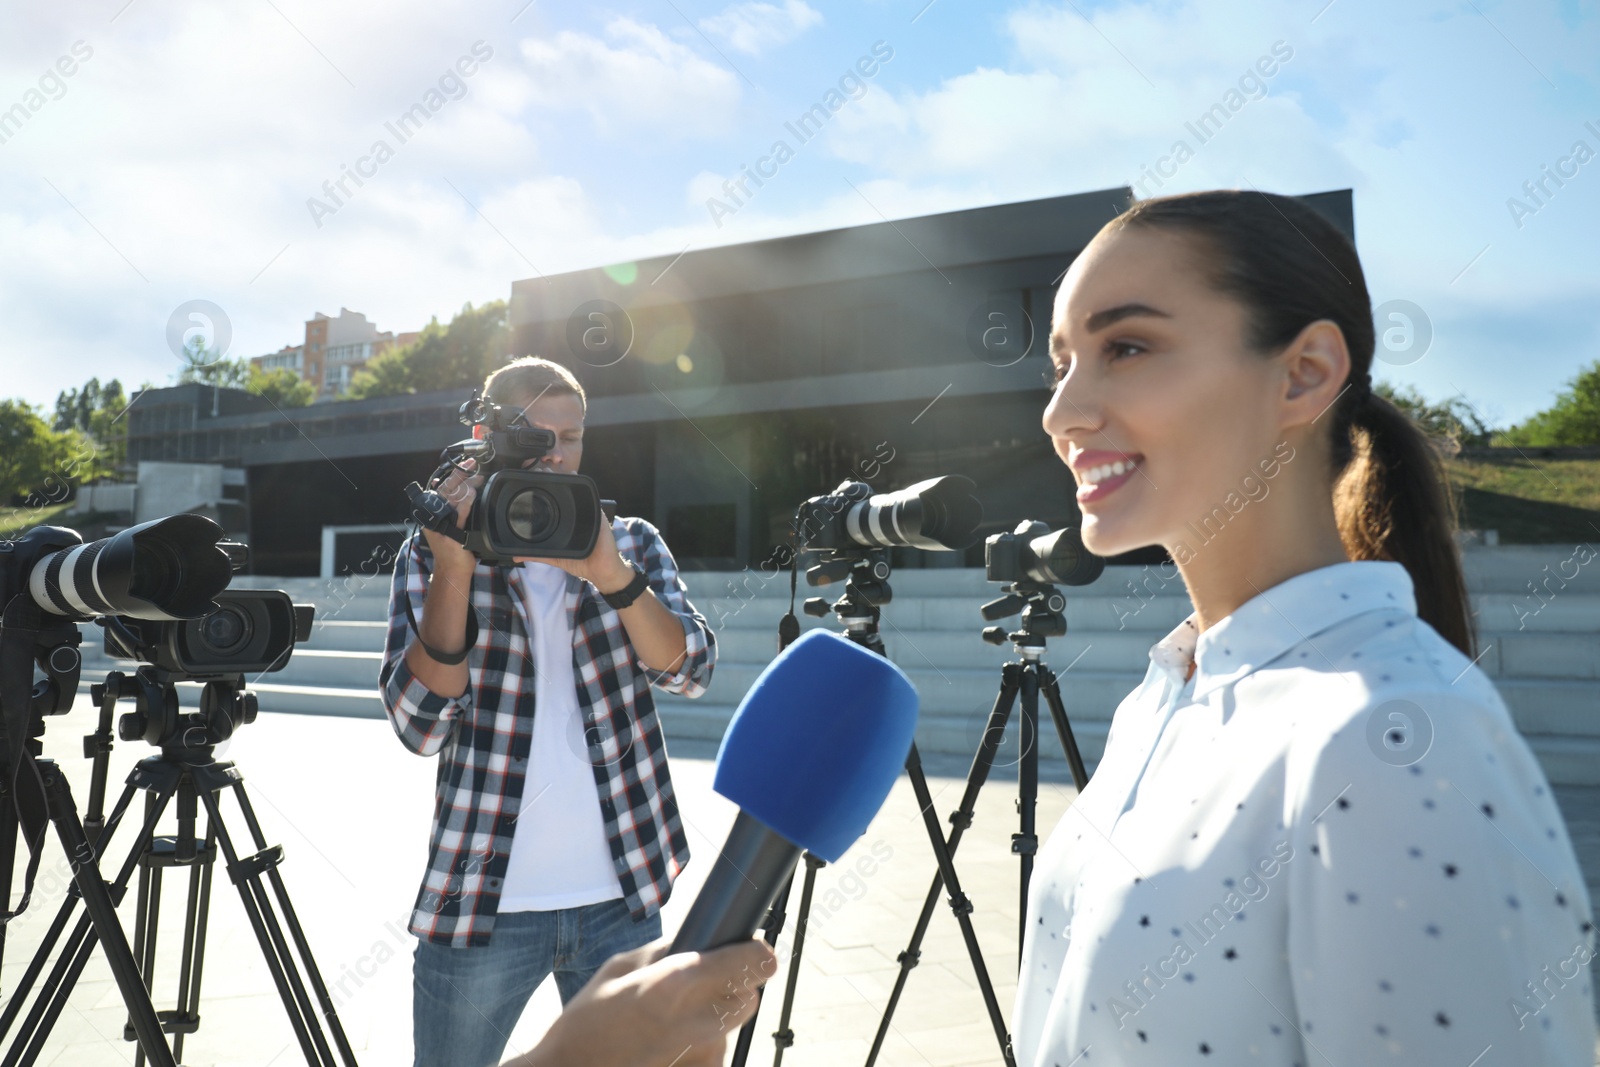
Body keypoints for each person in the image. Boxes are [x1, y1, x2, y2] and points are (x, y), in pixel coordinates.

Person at [1015, 188, 1597, 1065]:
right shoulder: (1163, 699)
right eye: (1062, 365)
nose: (1062, 413)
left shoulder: (1397, 736)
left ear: (1304, 373)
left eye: (1125, 347)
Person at [378, 356, 717, 1067]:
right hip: (482, 902)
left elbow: (690, 671)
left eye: (572, 436)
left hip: (621, 895)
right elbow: (420, 725)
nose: (558, 455)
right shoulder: (437, 547)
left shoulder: (629, 541)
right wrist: (456, 567)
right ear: (485, 436)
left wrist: (612, 577)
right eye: (538, 436)